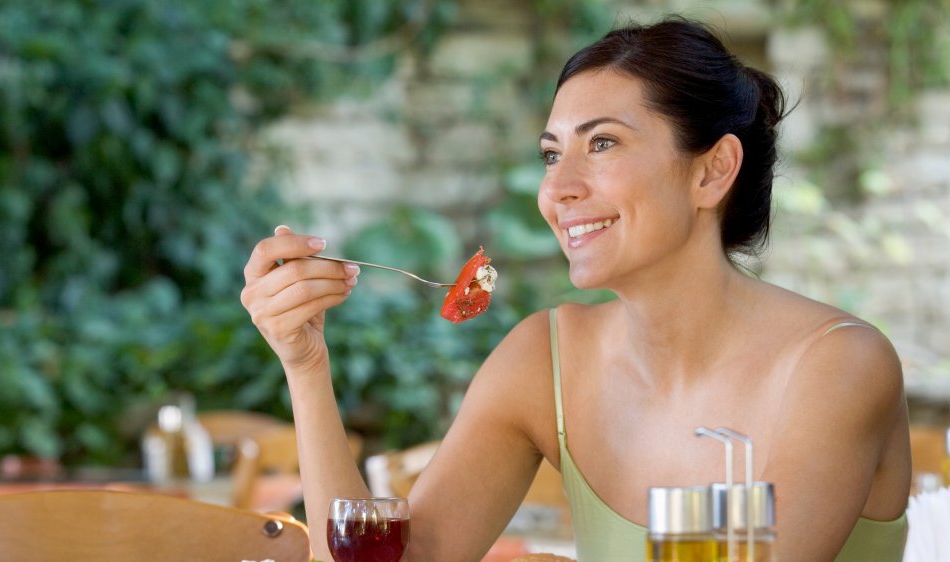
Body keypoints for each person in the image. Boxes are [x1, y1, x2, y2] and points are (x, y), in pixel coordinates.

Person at [241, 16, 911, 562]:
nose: (558, 190)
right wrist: (305, 365)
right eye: (552, 154)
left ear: (713, 172)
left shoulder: (836, 367)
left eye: (604, 145)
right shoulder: (546, 358)